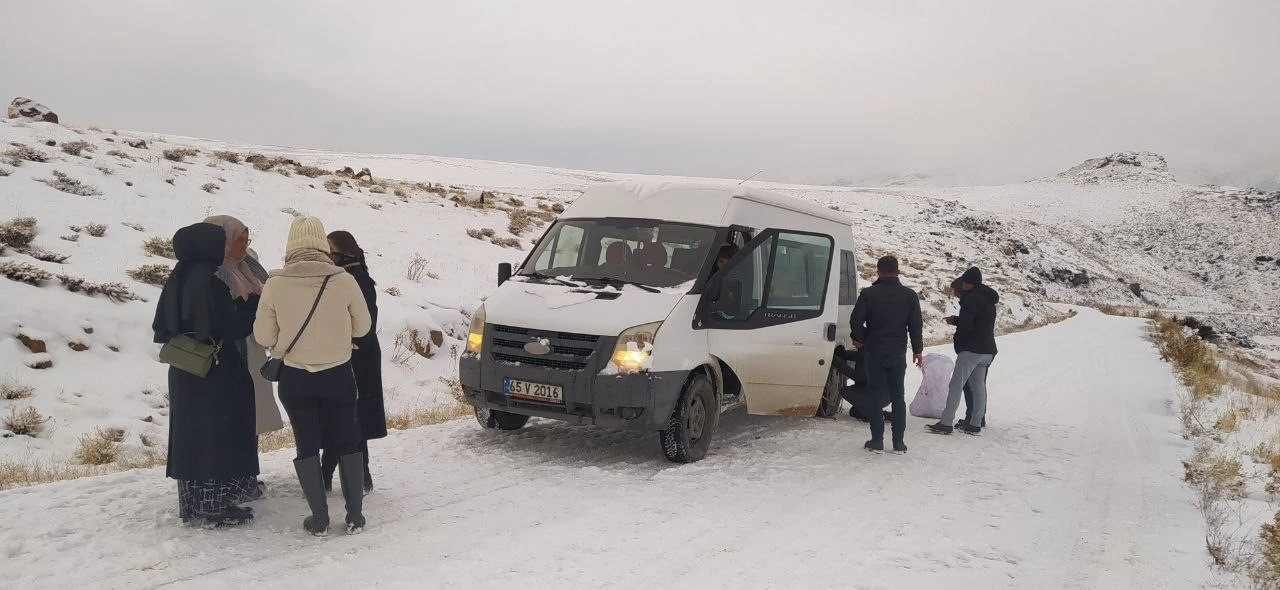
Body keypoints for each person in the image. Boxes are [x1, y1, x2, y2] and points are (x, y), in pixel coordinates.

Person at [254, 216, 372, 535]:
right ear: (322, 243)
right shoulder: (344, 281)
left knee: (306, 443)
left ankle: (318, 517)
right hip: (338, 374)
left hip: (296, 377)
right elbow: (363, 328)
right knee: (347, 439)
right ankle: (354, 516)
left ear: (291, 244)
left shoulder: (276, 283)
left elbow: (263, 336)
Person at [152, 223, 258, 527]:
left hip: (183, 367)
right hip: (215, 367)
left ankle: (191, 504)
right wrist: (252, 309)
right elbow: (232, 327)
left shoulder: (177, 278)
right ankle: (214, 507)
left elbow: (163, 327)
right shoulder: (210, 282)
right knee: (216, 434)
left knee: (190, 436)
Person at [203, 215, 286, 502]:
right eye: (239, 239)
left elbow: (269, 287)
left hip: (252, 348)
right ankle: (234, 479)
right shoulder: (215, 272)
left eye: (247, 239)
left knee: (250, 415)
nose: (244, 245)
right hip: (230, 352)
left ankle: (247, 476)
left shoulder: (245, 265)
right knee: (234, 416)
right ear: (222, 241)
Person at [320, 230, 386, 495]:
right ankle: (358, 474)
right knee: (348, 416)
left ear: (343, 253)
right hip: (353, 355)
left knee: (348, 416)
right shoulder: (349, 277)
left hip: (357, 357)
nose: (326, 257)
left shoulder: (354, 281)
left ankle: (341, 473)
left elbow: (363, 327)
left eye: (330, 252)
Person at [849, 255, 923, 454]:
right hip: (897, 352)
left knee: (875, 395)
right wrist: (918, 350)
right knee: (898, 396)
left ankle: (876, 441)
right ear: (898, 272)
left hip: (874, 352)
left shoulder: (869, 294)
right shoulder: (909, 296)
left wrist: (863, 338)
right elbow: (915, 327)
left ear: (878, 271)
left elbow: (855, 322)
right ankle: (899, 443)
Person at [928, 267, 999, 435]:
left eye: (964, 282)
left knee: (955, 385)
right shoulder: (988, 298)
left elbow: (967, 326)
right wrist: (956, 320)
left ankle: (946, 423)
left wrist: (959, 344)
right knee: (979, 387)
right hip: (987, 350)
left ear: (968, 283)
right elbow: (978, 322)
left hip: (972, 349)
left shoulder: (971, 299)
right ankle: (975, 423)